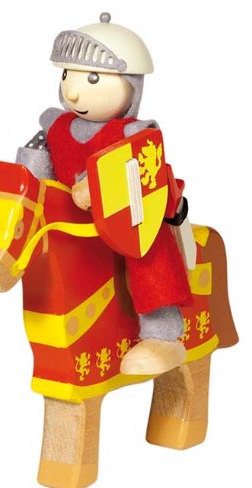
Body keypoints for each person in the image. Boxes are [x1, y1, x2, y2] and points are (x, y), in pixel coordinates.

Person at [15, 12, 193, 376]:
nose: (73, 91)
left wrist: (98, 188)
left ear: (131, 86)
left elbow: (142, 176)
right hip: (69, 217)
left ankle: (162, 334)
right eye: (69, 74)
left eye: (93, 79)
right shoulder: (55, 125)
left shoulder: (133, 134)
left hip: (126, 221)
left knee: (148, 251)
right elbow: (34, 169)